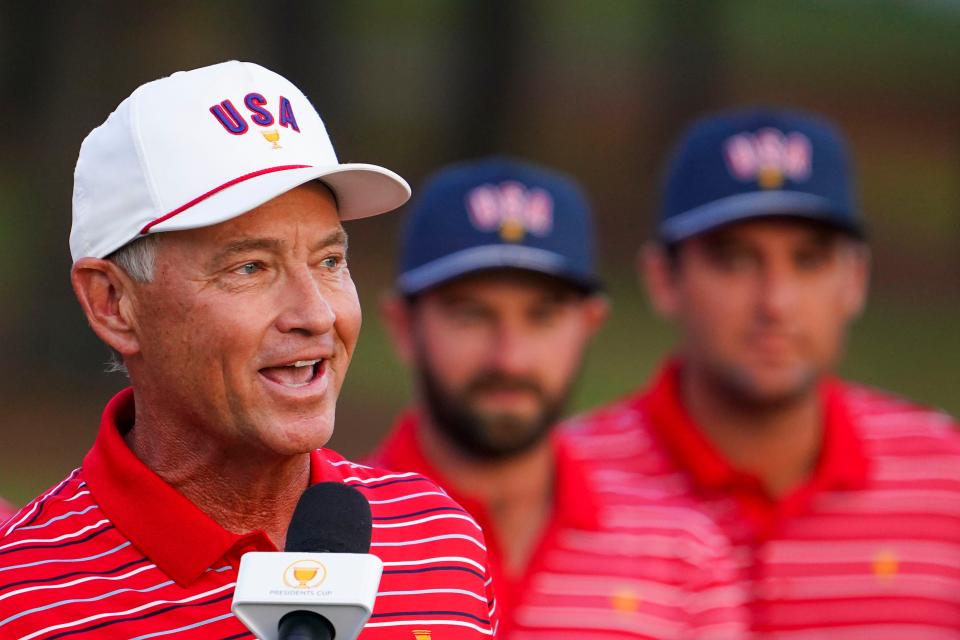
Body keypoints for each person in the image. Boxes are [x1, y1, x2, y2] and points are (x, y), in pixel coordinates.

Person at [0, 61, 497, 639]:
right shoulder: (21, 596)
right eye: (251, 267)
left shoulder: (438, 541)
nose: (316, 314)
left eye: (330, 261)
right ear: (113, 302)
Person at [568, 107, 960, 635]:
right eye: (735, 261)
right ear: (663, 279)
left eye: (809, 260)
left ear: (856, 279)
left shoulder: (946, 482)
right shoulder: (562, 485)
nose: (776, 301)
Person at [369, 157, 746, 638]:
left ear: (589, 325)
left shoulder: (683, 557)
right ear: (404, 327)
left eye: (542, 316)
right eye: (471, 315)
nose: (510, 358)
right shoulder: (317, 546)